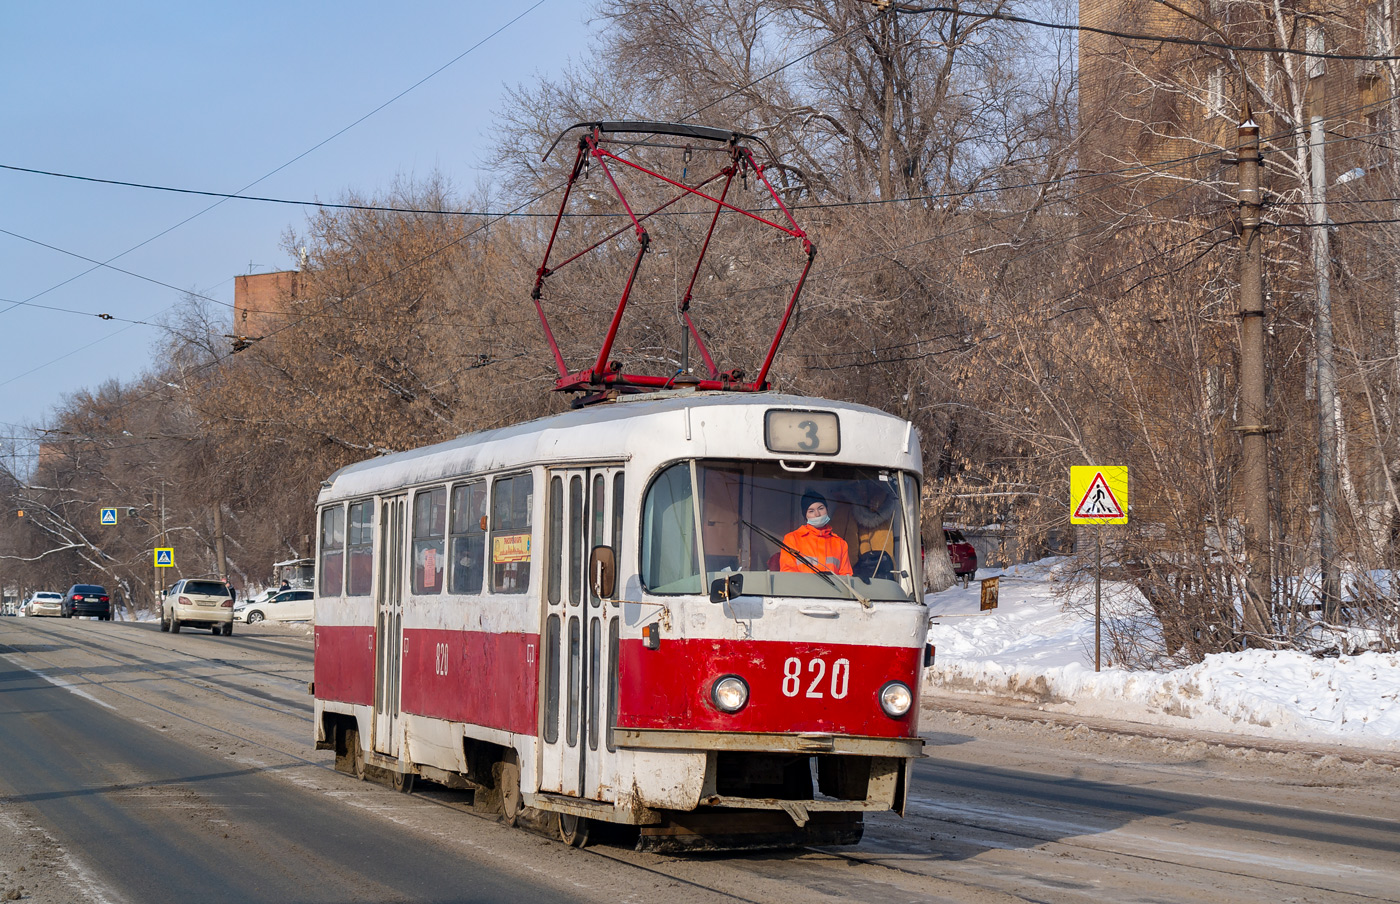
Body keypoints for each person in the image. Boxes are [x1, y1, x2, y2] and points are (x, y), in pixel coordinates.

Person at [780, 490, 852, 576]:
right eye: (811, 511)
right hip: (802, 589)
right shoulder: (792, 539)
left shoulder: (840, 543)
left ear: (827, 510)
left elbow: (846, 576)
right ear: (805, 515)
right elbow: (788, 574)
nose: (817, 514)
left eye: (821, 508)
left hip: (833, 589)